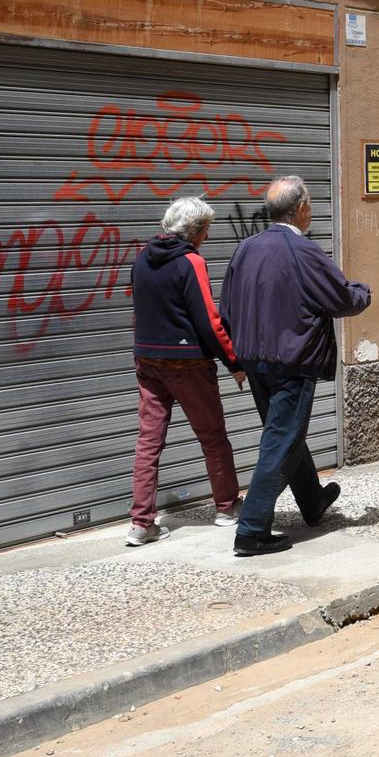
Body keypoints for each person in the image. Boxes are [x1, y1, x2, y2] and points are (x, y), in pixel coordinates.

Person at [223, 176, 372, 557]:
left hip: (255, 361)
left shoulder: (245, 249)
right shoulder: (303, 250)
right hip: (292, 360)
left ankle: (312, 501)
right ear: (302, 207)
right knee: (281, 440)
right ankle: (252, 530)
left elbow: (226, 309)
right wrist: (362, 291)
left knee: (284, 433)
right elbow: (340, 299)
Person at [125, 197, 244, 547]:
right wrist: (233, 362)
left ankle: (140, 524)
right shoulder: (192, 262)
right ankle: (226, 507)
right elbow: (209, 321)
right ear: (194, 231)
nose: (207, 236)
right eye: (205, 230)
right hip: (187, 362)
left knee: (148, 442)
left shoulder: (141, 258)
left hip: (147, 361)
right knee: (213, 436)